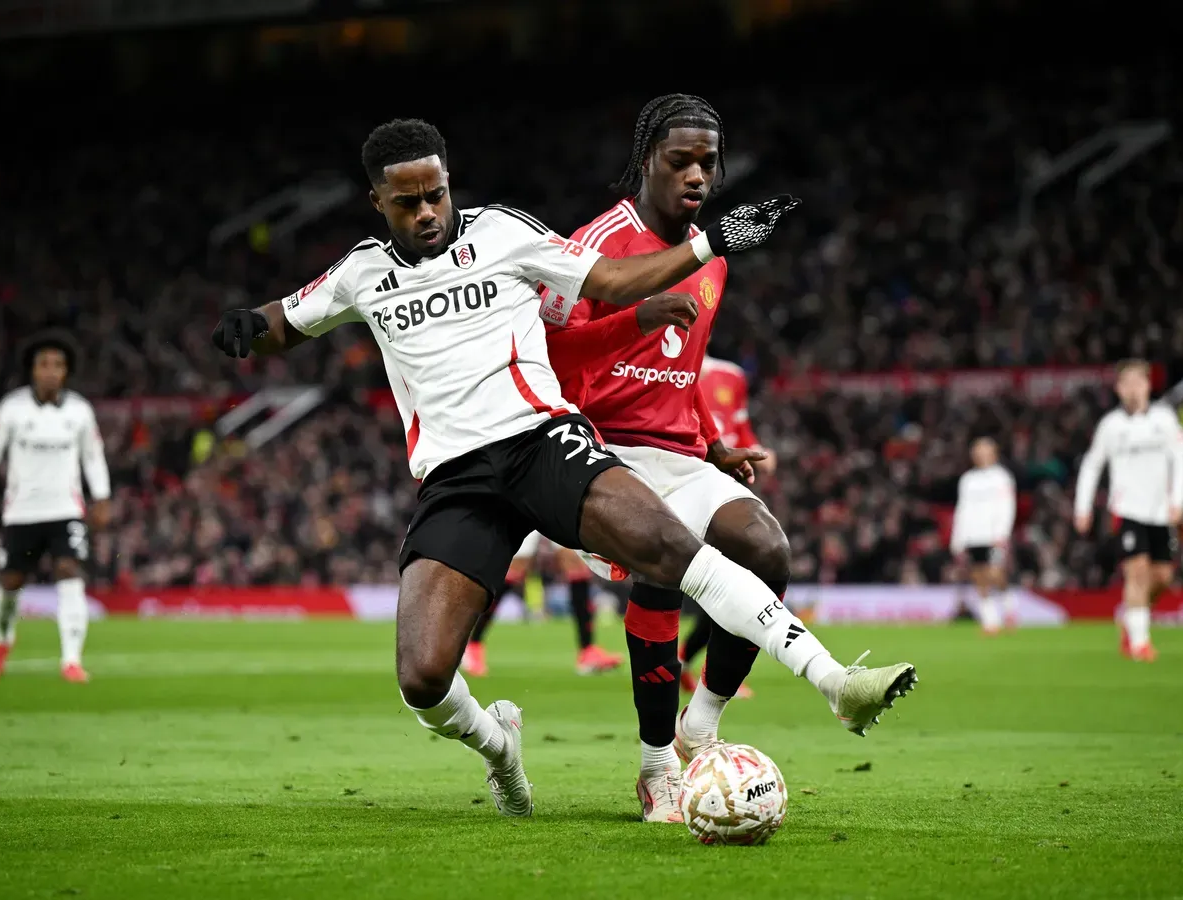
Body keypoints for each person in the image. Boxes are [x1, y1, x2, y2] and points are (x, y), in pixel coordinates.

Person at [211, 118, 915, 820]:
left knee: (673, 550)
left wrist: (711, 241)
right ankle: (499, 747)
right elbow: (288, 319)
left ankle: (833, 681)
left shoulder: (504, 232)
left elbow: (612, 278)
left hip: (541, 442)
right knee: (423, 679)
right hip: (457, 480)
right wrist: (250, 324)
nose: (427, 212)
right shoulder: (361, 272)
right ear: (378, 202)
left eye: (436, 194)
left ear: (449, 182)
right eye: (408, 202)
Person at [538, 95, 916, 823]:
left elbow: (685, 367)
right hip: (600, 454)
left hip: (679, 454)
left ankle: (700, 725)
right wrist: (632, 317)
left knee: (766, 548)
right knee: (662, 570)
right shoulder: (596, 245)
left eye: (708, 162)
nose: (696, 174)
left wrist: (712, 441)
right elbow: (551, 357)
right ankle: (657, 769)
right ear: (647, 158)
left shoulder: (713, 262)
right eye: (679, 159)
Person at [0, 332, 111, 682]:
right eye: (44, 365)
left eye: (58, 365)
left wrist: (101, 496)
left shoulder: (80, 411)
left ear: (67, 371)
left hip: (65, 510)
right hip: (21, 511)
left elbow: (93, 455)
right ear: (32, 370)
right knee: (11, 583)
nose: (51, 372)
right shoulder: (12, 408)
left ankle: (71, 660)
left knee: (69, 571)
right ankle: (2, 642)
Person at [676, 353, 778, 698]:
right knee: (720, 582)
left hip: (731, 479)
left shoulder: (732, 374)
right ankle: (697, 671)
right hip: (691, 478)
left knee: (731, 580)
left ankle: (686, 663)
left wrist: (756, 448)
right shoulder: (670, 360)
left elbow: (740, 424)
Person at [1074, 359, 1183, 661]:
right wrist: (1082, 507)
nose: (1134, 388)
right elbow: (1092, 464)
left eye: (1140, 381)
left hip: (1161, 510)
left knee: (1161, 577)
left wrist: (1178, 500)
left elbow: (1181, 458)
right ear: (1119, 389)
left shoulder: (1164, 420)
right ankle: (1140, 643)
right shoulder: (1111, 425)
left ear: (1149, 385)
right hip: (1126, 509)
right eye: (1128, 383)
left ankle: (1132, 619)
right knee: (1136, 572)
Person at [461, 531, 622, 677]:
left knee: (574, 561)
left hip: (556, 501)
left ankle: (587, 652)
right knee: (517, 565)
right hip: (527, 501)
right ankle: (472, 644)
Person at [950, 437, 1017, 635]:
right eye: (978, 452)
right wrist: (958, 538)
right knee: (979, 577)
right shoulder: (968, 480)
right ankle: (990, 621)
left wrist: (1002, 532)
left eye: (985, 451)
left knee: (995, 574)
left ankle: (1008, 606)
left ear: (994, 453)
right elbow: (962, 509)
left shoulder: (1002, 477)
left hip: (993, 535)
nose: (981, 455)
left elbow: (1007, 506)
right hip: (973, 535)